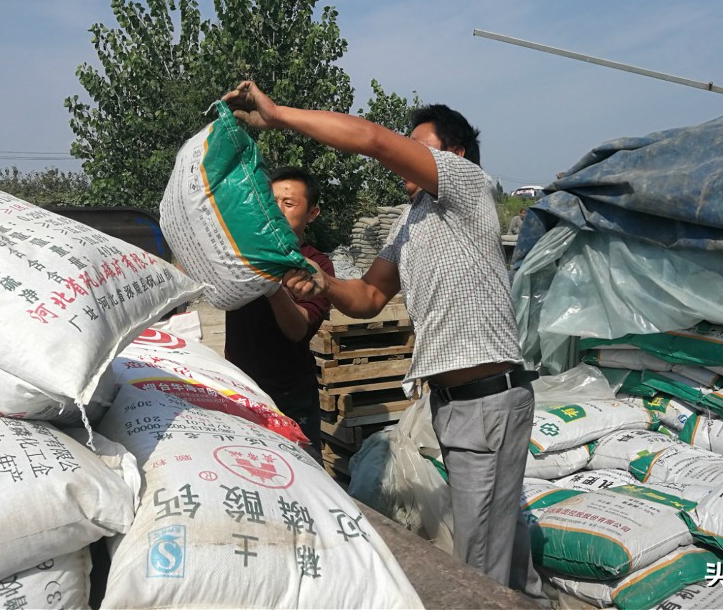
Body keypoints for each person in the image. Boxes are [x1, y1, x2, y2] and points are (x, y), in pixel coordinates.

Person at [223, 81, 544, 601]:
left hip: (487, 399)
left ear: (455, 153)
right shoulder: (410, 223)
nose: (404, 160)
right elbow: (370, 295)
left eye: (420, 147)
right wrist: (322, 281)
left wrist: (278, 114)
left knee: (478, 571)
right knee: (502, 540)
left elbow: (372, 139)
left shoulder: (465, 185)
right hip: (457, 406)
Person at [223, 166, 334, 465]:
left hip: (290, 397)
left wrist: (272, 285)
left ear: (312, 213)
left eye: (289, 203)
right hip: (240, 389)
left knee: (302, 475)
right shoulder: (241, 253)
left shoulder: (316, 266)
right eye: (272, 202)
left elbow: (299, 329)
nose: (278, 210)